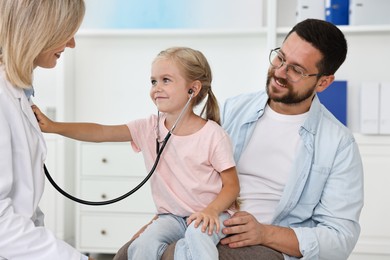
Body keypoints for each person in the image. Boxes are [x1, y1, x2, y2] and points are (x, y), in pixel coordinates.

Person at [113, 19, 364, 260]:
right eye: (280, 57)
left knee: (172, 256)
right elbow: (191, 176)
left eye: (296, 70)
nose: (279, 71)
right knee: (130, 253)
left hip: (261, 242)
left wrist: (265, 233)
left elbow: (340, 238)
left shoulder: (338, 144)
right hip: (205, 222)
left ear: (323, 82)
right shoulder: (234, 109)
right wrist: (161, 221)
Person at [33, 46, 240, 259]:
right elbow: (101, 132)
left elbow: (232, 185)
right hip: (172, 217)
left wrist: (212, 211)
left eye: (166, 80)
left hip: (213, 214)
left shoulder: (213, 135)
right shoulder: (149, 128)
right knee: (143, 244)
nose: (157, 87)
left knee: (197, 235)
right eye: (153, 81)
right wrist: (53, 126)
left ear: (193, 89)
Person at [0, 0, 92, 260]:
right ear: (38, 29)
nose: (72, 43)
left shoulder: (18, 93)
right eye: (66, 31)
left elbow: (24, 203)